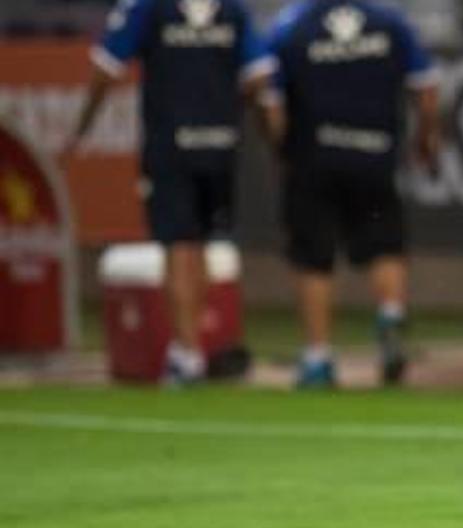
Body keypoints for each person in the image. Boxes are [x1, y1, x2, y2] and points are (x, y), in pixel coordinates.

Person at [66, 0, 274, 385]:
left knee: (178, 244)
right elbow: (258, 78)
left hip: (171, 144)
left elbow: (105, 68)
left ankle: (187, 353)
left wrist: (82, 128)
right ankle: (195, 345)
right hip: (221, 143)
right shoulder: (233, 10)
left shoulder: (148, 7)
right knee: (205, 245)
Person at [262, 0, 441, 389]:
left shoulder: (292, 26)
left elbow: (270, 101)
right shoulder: (390, 22)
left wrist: (279, 148)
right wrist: (426, 140)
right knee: (384, 245)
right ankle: (391, 314)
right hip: (375, 155)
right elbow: (426, 89)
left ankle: (318, 357)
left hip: (314, 158)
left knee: (314, 258)